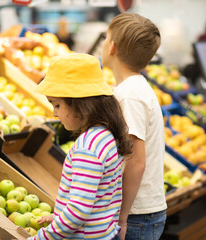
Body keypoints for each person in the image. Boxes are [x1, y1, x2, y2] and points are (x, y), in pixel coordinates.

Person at [29, 53, 132, 240]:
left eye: (57, 105)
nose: (54, 113)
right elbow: (98, 199)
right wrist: (60, 217)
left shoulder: (87, 148)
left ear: (79, 104)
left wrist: (40, 238)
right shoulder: (106, 136)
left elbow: (78, 212)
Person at [101, 13, 167, 240]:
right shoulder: (133, 88)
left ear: (112, 47)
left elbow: (136, 161)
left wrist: (121, 216)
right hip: (141, 212)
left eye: (105, 38)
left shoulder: (129, 96)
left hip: (137, 215)